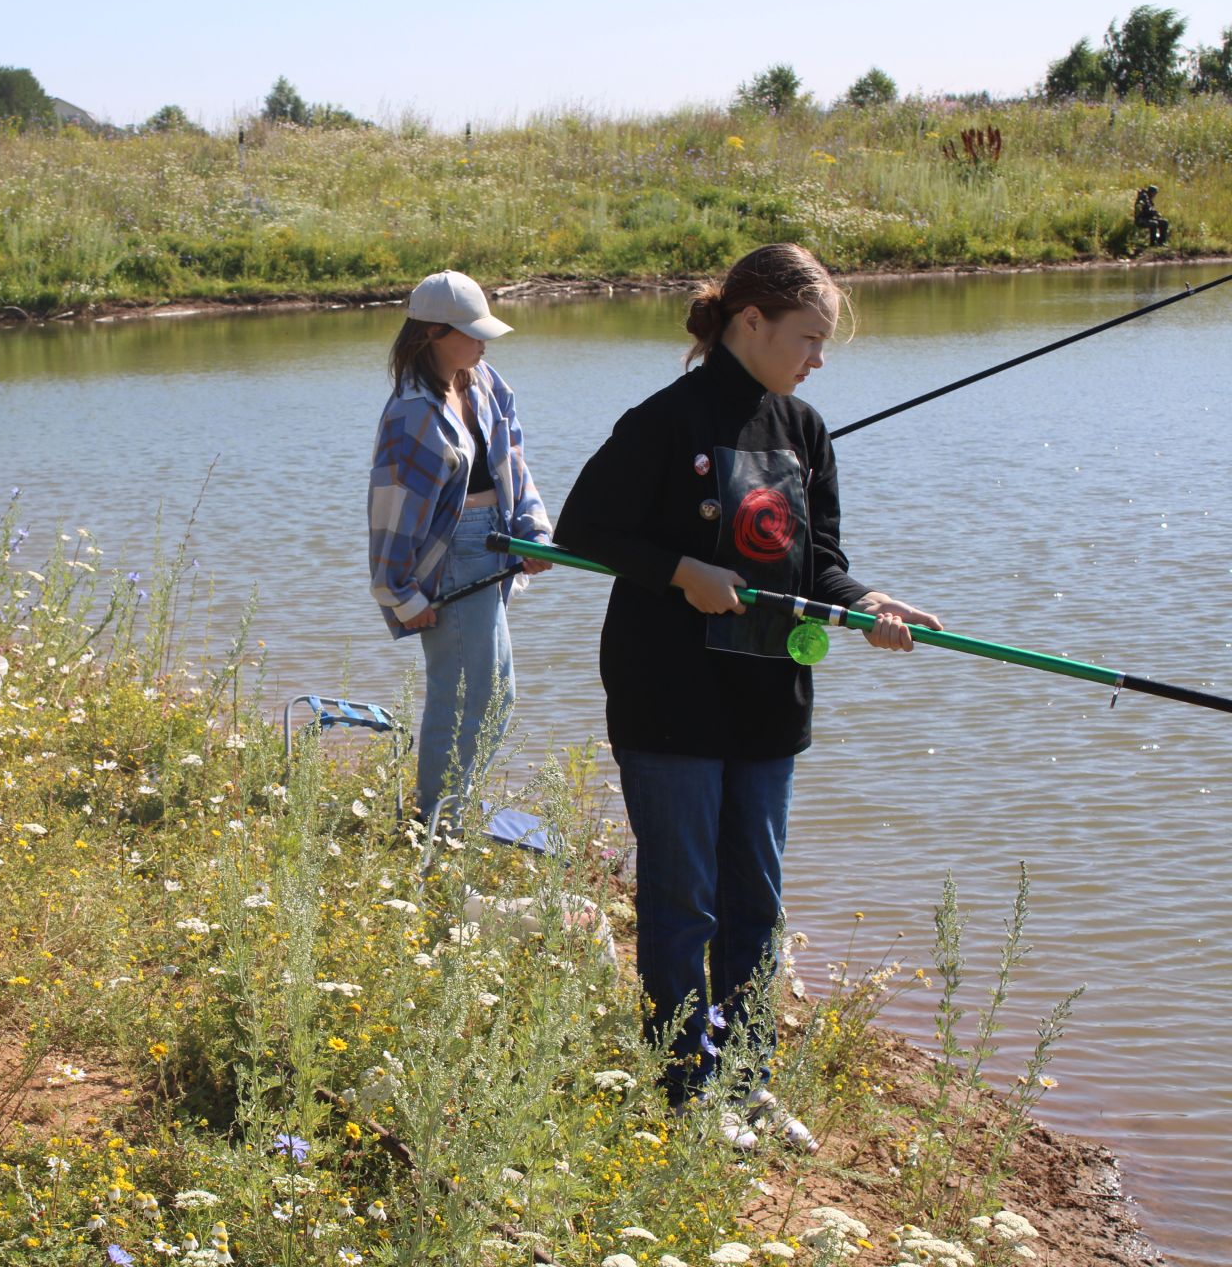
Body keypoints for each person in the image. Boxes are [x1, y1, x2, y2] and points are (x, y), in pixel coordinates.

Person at [552, 243, 940, 1143]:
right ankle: (685, 1087)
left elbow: (823, 565)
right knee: (684, 898)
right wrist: (681, 569)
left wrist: (868, 605)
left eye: (825, 343)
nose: (819, 358)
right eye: (808, 337)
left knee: (756, 902)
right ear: (750, 322)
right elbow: (584, 529)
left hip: (769, 700)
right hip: (671, 699)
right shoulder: (664, 419)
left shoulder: (805, 431)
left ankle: (750, 1079)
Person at [368, 270, 552, 825]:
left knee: (493, 697)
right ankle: (438, 823)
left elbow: (514, 463)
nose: (482, 342)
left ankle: (450, 812)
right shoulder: (411, 415)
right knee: (470, 699)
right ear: (431, 334)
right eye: (470, 333)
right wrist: (401, 594)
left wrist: (534, 531)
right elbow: (391, 514)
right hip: (450, 557)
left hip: (497, 540)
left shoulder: (486, 381)